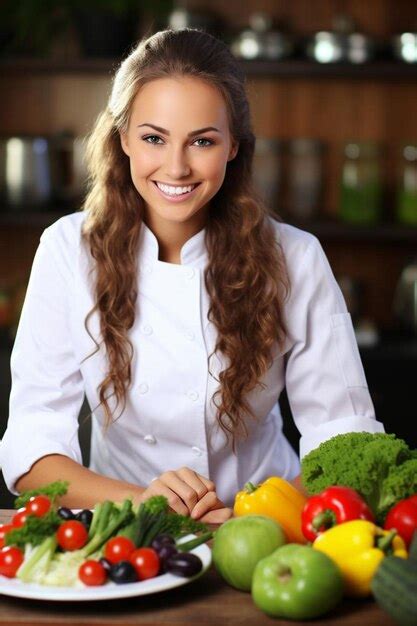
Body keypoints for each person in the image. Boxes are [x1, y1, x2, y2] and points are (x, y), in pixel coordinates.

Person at [0, 28, 384, 522]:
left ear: (233, 147)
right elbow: (32, 451)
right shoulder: (67, 251)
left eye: (202, 141)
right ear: (124, 141)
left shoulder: (295, 258)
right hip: (124, 532)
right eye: (154, 138)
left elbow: (345, 441)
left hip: (267, 528)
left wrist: (252, 515)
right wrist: (147, 504)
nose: (176, 167)